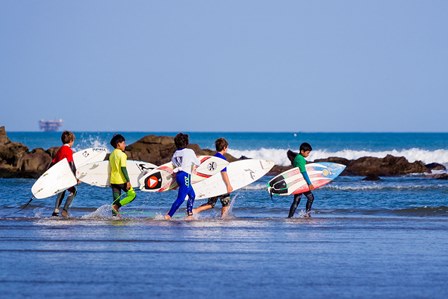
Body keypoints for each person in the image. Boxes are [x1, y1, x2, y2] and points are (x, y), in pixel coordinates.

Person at [193, 137, 233, 217]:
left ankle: (195, 211)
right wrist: (228, 185)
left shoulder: (213, 158)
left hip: (213, 184)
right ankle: (223, 219)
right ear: (224, 148)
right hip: (221, 184)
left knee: (210, 204)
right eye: (227, 147)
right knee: (226, 204)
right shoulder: (222, 159)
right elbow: (223, 173)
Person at [165, 133, 200, 220]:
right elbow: (198, 163)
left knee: (192, 195)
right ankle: (168, 215)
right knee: (181, 198)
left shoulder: (175, 153)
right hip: (185, 176)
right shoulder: (189, 151)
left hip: (179, 176)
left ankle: (190, 214)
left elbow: (173, 164)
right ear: (186, 142)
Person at [51, 131, 78, 218]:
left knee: (61, 192)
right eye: (73, 140)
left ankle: (56, 211)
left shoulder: (60, 150)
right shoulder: (69, 150)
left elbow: (52, 163)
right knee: (73, 191)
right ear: (71, 140)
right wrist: (75, 177)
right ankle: (65, 210)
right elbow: (71, 164)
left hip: (59, 175)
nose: (73, 142)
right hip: (66, 175)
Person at [110, 134, 136, 216]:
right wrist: (128, 181)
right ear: (118, 144)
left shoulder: (111, 154)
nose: (125, 145)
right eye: (123, 143)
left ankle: (115, 218)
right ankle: (117, 207)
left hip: (113, 180)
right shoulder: (122, 155)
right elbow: (123, 168)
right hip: (121, 180)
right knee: (132, 195)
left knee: (116, 199)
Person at [288, 142, 315, 218]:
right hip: (301, 182)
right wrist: (309, 183)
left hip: (298, 181)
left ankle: (290, 217)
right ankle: (307, 215)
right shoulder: (300, 159)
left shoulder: (297, 157)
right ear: (302, 151)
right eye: (307, 153)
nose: (308, 154)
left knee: (297, 200)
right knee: (311, 198)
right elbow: (303, 172)